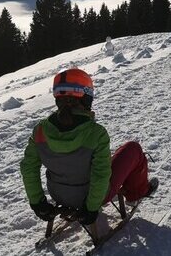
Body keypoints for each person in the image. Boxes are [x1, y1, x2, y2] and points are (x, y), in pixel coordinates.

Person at [20, 68, 158, 228]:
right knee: (133, 149)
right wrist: (91, 208)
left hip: (58, 194)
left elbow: (28, 168)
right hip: (90, 199)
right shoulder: (96, 133)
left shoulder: (40, 130)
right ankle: (136, 193)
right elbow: (100, 175)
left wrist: (37, 202)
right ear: (86, 97)